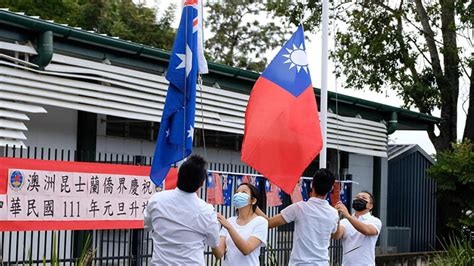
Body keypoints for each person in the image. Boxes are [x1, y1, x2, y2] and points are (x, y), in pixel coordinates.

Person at [144, 155, 220, 265]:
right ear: (202, 183)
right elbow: (213, 242)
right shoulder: (207, 211)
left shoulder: (156, 200)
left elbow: (147, 226)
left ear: (178, 175)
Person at [256, 169, 340, 265]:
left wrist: (252, 204)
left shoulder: (299, 208)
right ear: (331, 188)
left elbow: (269, 223)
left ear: (312, 185)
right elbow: (335, 235)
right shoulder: (333, 213)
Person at [212, 183, 268, 265]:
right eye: (237, 192)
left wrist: (229, 227)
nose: (238, 195)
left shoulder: (261, 222)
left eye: (243, 192)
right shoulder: (230, 221)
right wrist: (212, 231)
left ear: (253, 200)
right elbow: (219, 254)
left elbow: (246, 249)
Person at [333, 191, 382, 266]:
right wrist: (336, 217)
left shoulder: (375, 221)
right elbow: (336, 236)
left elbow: (366, 230)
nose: (359, 199)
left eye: (363, 198)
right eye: (357, 197)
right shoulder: (344, 221)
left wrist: (348, 216)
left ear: (370, 206)